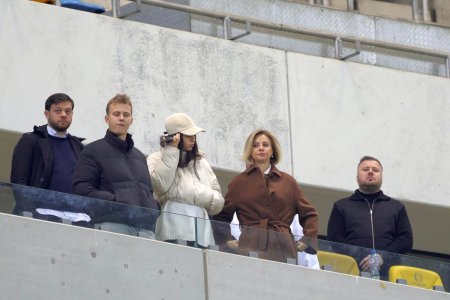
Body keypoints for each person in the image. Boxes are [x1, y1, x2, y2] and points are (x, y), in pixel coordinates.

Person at [214, 129, 318, 263]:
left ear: (272, 150)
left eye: (265, 145)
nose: (261, 148)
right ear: (250, 151)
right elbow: (221, 216)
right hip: (251, 246)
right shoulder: (238, 183)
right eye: (255, 145)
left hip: (283, 246)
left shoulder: (288, 181)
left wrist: (307, 240)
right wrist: (226, 241)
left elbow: (310, 214)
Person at [72, 94, 159, 237]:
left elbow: (149, 192)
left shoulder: (139, 156)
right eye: (116, 114)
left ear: (131, 120)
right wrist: (115, 202)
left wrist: (153, 207)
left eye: (126, 114)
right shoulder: (93, 150)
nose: (121, 118)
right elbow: (81, 189)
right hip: (112, 225)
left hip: (145, 230)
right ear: (107, 119)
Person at [327, 156, 413, 278]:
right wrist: (360, 256)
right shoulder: (341, 206)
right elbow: (335, 238)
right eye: (365, 169)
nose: (371, 172)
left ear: (381, 177)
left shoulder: (396, 207)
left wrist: (383, 257)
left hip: (388, 274)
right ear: (357, 178)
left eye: (375, 170)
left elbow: (406, 239)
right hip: (351, 272)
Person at [10, 93, 89, 225]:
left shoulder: (79, 147)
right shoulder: (30, 141)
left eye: (68, 111)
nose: (63, 114)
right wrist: (29, 213)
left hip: (77, 219)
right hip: (41, 215)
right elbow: (19, 181)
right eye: (58, 110)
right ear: (47, 114)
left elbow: (86, 184)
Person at [147, 113, 224, 247]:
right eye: (188, 135)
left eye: (194, 135)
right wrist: (171, 151)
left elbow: (218, 202)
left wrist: (193, 193)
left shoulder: (202, 163)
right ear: (176, 136)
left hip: (203, 232)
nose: (193, 139)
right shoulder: (156, 159)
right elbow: (159, 186)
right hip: (172, 228)